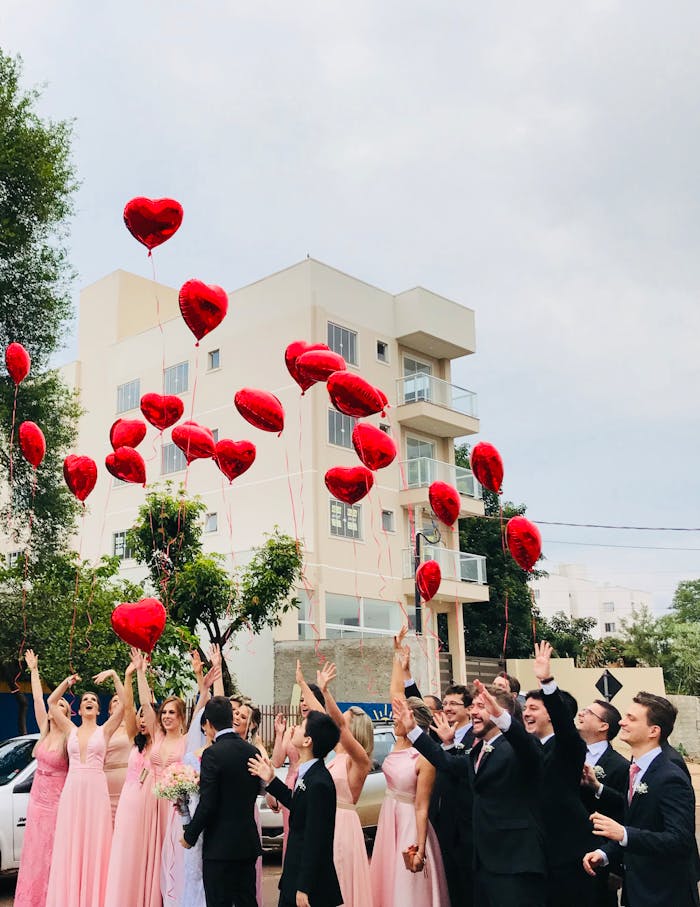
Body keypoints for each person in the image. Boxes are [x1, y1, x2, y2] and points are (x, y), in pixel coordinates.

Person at [400, 679, 546, 906]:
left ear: (501, 714)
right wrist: (413, 731)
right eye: (473, 706)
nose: (473, 712)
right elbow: (447, 763)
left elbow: (529, 750)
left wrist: (502, 718)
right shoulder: (480, 749)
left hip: (514, 862)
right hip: (484, 860)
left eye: (481, 706)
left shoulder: (520, 748)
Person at [584, 691, 700, 907]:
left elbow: (680, 840)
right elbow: (641, 823)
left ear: (653, 731)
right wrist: (605, 853)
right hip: (637, 891)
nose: (621, 722)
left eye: (631, 718)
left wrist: (624, 834)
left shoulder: (670, 775)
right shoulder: (636, 768)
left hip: (664, 894)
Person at [369, 639, 449, 907]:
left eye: (400, 715)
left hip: (408, 823)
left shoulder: (424, 756)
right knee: (386, 881)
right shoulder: (398, 741)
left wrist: (420, 845)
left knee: (407, 888)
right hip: (388, 817)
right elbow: (395, 692)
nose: (394, 717)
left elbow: (421, 808)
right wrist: (397, 657)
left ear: (413, 720)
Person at [524, 642, 595, 907]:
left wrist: (547, 682)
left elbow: (566, 728)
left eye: (534, 708)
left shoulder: (570, 746)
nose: (526, 713)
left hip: (567, 852)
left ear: (553, 715)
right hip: (534, 853)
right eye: (526, 708)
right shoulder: (528, 746)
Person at [299, 659, 374, 907]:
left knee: (339, 878)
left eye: (344, 717)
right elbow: (321, 715)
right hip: (327, 819)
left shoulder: (359, 759)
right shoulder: (335, 755)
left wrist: (327, 691)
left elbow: (337, 724)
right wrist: (303, 684)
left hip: (343, 823)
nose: (338, 718)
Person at [249, 710, 343, 907]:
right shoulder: (309, 773)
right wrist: (272, 780)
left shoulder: (319, 782)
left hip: (309, 885)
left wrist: (304, 887)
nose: (295, 728)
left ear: (308, 741)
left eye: (301, 726)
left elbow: (315, 838)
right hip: (295, 873)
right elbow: (297, 806)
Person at [45, 677, 124, 907]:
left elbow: (126, 703)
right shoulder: (70, 729)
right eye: (85, 700)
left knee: (96, 842)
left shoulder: (105, 730)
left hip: (96, 790)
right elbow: (51, 701)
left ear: (99, 710)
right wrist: (67, 683)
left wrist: (114, 675)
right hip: (73, 790)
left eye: (93, 700)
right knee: (72, 841)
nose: (89, 701)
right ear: (79, 710)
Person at [182, 696, 262, 907]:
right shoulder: (251, 751)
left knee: (219, 901)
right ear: (230, 718)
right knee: (246, 900)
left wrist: (190, 835)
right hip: (246, 842)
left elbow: (208, 802)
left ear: (208, 724)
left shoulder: (212, 754)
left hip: (219, 845)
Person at [14, 650, 70, 907]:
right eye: (55, 706)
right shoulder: (44, 733)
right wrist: (34, 670)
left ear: (67, 715)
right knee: (34, 855)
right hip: (37, 802)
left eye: (62, 707)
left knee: (52, 855)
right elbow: (38, 699)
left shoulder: (69, 738)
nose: (55, 710)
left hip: (58, 805)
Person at [104, 649, 153, 907]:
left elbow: (142, 704)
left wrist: (142, 674)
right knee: (124, 852)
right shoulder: (136, 739)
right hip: (128, 801)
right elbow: (129, 706)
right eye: (140, 718)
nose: (142, 720)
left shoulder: (156, 742)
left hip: (149, 803)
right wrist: (127, 676)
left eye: (147, 717)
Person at [137, 661, 188, 907]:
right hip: (151, 801)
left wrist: (203, 681)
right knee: (151, 854)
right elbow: (146, 703)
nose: (166, 717)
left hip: (175, 806)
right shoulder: (157, 735)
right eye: (164, 712)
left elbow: (203, 708)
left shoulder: (188, 741)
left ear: (181, 717)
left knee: (173, 858)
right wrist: (140, 672)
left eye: (172, 713)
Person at [577, 698, 628, 907]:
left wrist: (615, 868)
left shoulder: (619, 765)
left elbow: (622, 814)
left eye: (588, 712)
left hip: (598, 855)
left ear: (603, 726)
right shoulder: (570, 753)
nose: (581, 713)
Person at [270, 677, 327, 856]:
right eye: (301, 699)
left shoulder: (319, 730)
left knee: (307, 832)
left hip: (310, 783)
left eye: (307, 699)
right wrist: (279, 734)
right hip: (290, 785)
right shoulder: (292, 730)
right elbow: (277, 762)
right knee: (290, 833)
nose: (303, 703)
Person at [94, 666, 133, 823]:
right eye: (114, 701)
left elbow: (127, 703)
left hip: (125, 780)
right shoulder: (102, 731)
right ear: (110, 710)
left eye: (119, 700)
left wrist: (114, 675)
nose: (118, 702)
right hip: (105, 783)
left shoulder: (132, 728)